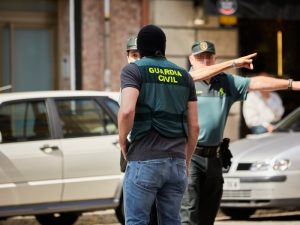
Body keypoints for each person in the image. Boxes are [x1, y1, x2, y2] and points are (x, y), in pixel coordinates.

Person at [180, 40, 300, 225]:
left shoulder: (225, 82)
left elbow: (257, 82)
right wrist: (233, 63)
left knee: (207, 216)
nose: (204, 62)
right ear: (191, 60)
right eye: (200, 58)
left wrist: (293, 84)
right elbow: (197, 75)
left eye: (208, 58)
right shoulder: (184, 80)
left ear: (215, 59)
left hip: (214, 157)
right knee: (188, 214)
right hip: (189, 156)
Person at [118, 24, 199, 225]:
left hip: (144, 159)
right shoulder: (184, 76)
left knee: (137, 221)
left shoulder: (133, 70)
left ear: (141, 47)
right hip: (176, 162)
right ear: (163, 46)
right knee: (172, 220)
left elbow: (127, 110)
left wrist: (122, 142)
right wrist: (186, 161)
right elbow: (195, 127)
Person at [121, 35, 158, 225]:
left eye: (140, 55)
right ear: (128, 57)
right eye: (133, 55)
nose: (137, 60)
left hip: (147, 151)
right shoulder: (129, 76)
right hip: (133, 149)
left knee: (145, 214)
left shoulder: (152, 79)